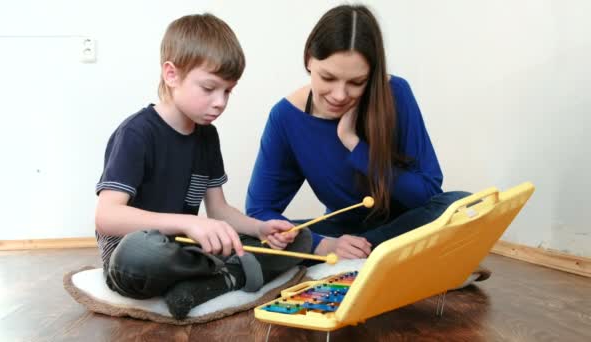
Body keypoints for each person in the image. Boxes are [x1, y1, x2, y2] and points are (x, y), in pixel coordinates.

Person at [94, 13, 311, 319]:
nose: (220, 102)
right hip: (137, 257)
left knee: (299, 237)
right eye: (209, 88)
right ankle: (227, 272)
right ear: (171, 75)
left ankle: (213, 280)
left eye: (228, 91)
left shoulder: (206, 136)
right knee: (141, 254)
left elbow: (219, 211)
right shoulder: (136, 134)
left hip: (189, 250)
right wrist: (187, 224)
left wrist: (261, 228)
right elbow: (107, 217)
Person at [246, 5, 472, 261]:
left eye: (356, 83)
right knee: (251, 237)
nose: (340, 95)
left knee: (465, 205)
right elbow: (260, 210)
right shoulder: (285, 117)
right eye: (328, 78)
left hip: (407, 224)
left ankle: (365, 256)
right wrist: (324, 245)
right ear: (309, 59)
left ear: (372, 75)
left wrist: (354, 144)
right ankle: (376, 258)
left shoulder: (396, 93)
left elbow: (428, 195)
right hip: (343, 233)